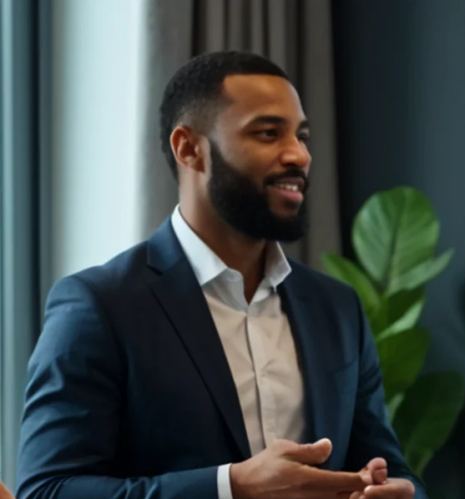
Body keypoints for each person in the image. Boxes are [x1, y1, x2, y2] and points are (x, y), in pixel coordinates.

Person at [16, 51, 424, 499]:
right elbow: (47, 490)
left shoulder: (337, 308)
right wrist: (231, 486)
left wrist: (394, 491)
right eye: (268, 133)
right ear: (189, 148)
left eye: (302, 136)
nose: (299, 154)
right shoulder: (99, 305)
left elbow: (394, 470)